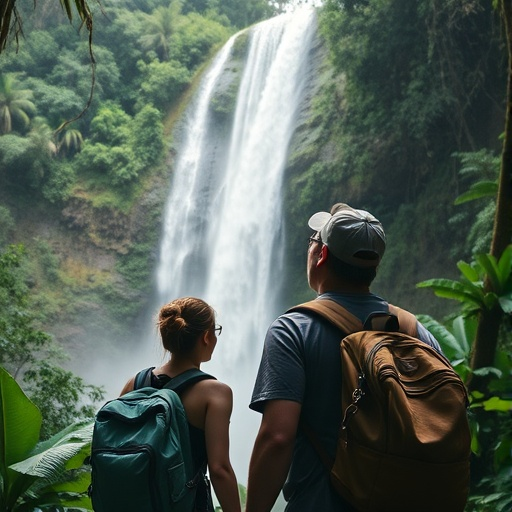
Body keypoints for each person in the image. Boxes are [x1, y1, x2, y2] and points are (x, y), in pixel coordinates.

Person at [245, 203, 442, 512]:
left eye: (313, 241)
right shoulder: (415, 332)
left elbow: (277, 437)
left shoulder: (293, 330)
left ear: (321, 255)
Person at [120, 297, 241, 512]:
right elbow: (219, 469)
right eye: (216, 331)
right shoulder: (216, 393)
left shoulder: (135, 383)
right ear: (206, 337)